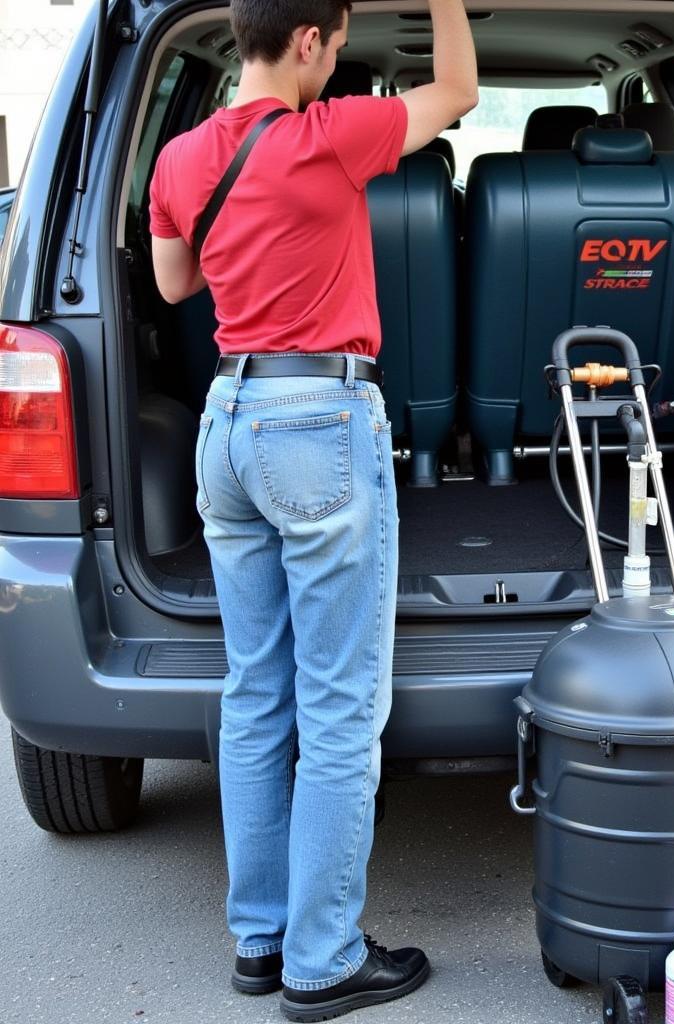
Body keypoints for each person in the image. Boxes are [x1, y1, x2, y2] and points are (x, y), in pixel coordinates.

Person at [147, 1, 477, 1020]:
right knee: (339, 706)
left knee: (255, 694)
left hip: (229, 422)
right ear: (307, 42)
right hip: (318, 422)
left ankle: (260, 941)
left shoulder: (180, 157)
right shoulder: (330, 136)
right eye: (336, 47)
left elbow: (173, 285)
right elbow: (460, 91)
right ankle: (323, 956)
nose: (336, 67)